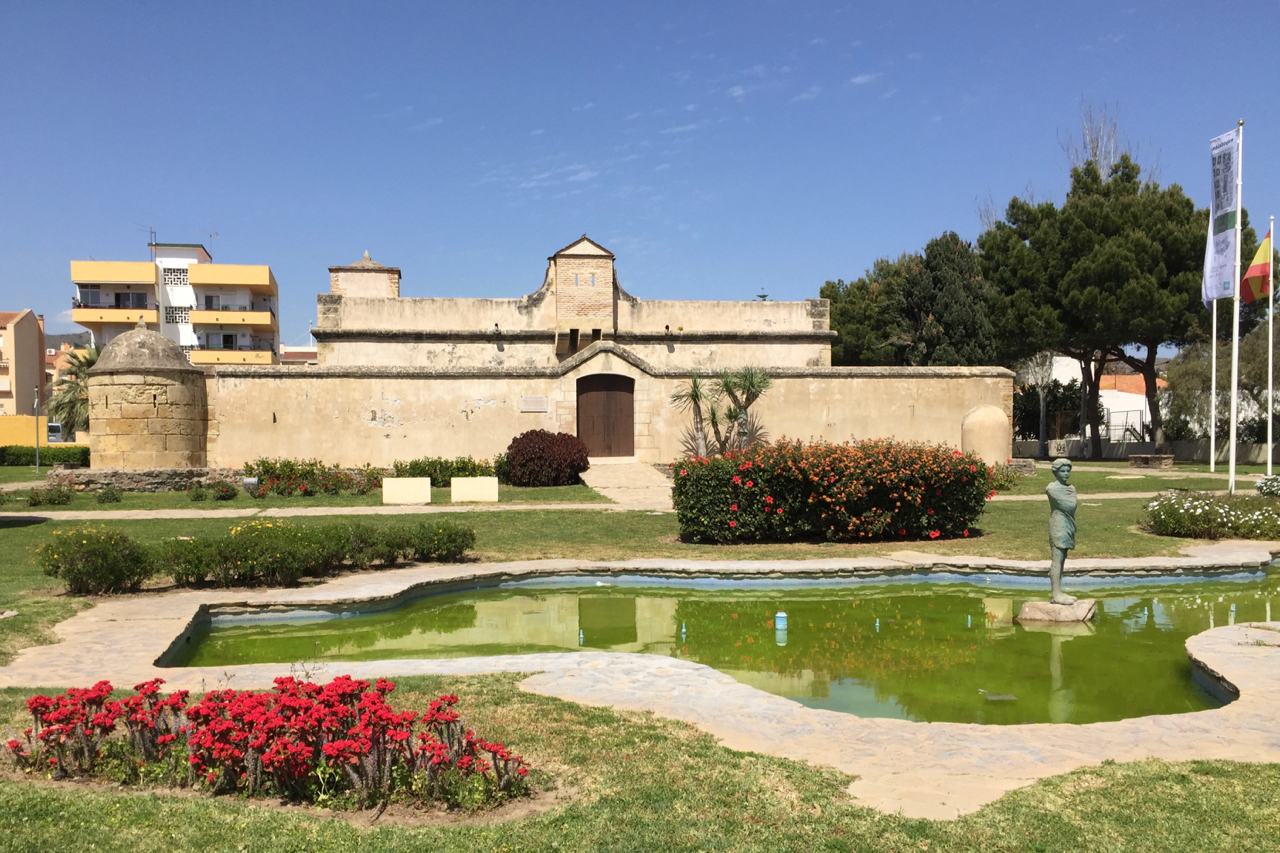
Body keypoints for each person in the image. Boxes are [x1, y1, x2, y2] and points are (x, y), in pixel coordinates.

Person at [1046, 458, 1078, 605]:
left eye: (1068, 471)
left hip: (1068, 524)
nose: (1066, 474)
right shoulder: (1052, 489)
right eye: (1063, 471)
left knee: (1063, 558)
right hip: (1058, 524)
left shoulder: (1071, 488)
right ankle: (1055, 594)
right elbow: (1069, 505)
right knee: (1057, 559)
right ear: (1056, 472)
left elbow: (1072, 505)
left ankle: (1058, 592)